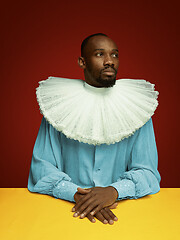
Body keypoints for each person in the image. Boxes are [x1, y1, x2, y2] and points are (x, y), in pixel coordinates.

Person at [28, 33, 161, 225]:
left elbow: (148, 172)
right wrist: (77, 194)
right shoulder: (57, 107)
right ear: (82, 62)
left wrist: (114, 191)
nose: (109, 61)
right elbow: (41, 167)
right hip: (65, 213)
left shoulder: (138, 108)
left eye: (114, 55)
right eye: (100, 54)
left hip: (125, 215)